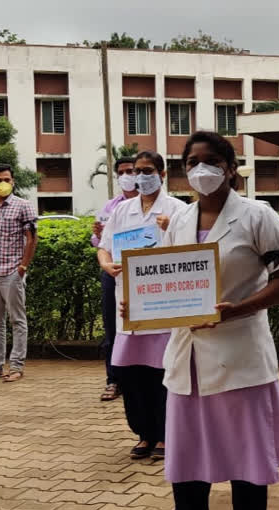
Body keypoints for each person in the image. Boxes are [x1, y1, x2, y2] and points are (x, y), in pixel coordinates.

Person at [154, 131, 279, 510]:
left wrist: (235, 309)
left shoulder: (258, 216)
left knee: (246, 469)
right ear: (183, 171)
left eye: (211, 162)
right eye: (192, 163)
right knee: (187, 470)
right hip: (188, 364)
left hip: (239, 359)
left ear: (230, 169)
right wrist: (141, 308)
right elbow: (164, 283)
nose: (201, 170)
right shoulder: (179, 221)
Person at [98, 151, 185, 460]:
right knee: (133, 375)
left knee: (163, 373)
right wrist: (107, 265)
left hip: (162, 307)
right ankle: (143, 434)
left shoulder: (178, 210)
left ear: (162, 174)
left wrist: (171, 226)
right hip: (129, 305)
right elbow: (104, 247)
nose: (141, 176)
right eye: (137, 170)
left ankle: (164, 436)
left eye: (148, 170)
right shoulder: (122, 210)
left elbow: (193, 255)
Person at [92, 156, 138, 401]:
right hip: (115, 272)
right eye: (122, 172)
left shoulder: (162, 205)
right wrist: (98, 235)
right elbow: (100, 243)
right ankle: (114, 380)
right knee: (113, 328)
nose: (127, 175)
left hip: (145, 274)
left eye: (131, 171)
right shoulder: (110, 207)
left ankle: (146, 379)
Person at [0, 163, 37, 383]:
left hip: (12, 270)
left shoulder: (23, 206)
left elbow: (32, 238)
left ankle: (17, 366)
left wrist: (23, 267)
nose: (2, 184)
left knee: (17, 320)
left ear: (13, 181)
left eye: (6, 180)